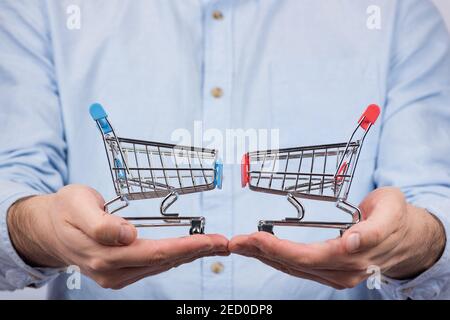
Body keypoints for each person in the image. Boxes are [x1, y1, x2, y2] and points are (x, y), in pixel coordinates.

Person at [0, 0, 449, 300]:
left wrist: (413, 241)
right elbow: (12, 180)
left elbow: (434, 199)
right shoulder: (41, 8)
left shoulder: (396, 11)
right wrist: (37, 229)